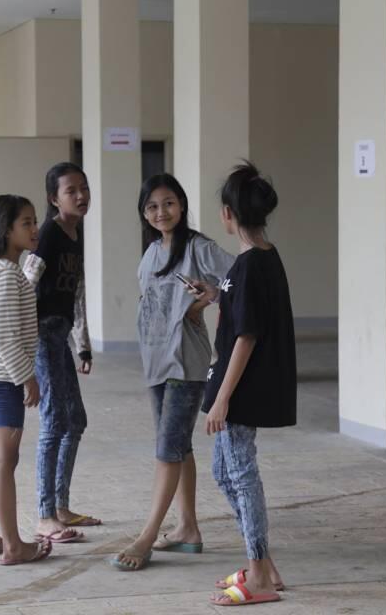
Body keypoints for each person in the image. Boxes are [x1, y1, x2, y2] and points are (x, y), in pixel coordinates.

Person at [112, 174, 234, 571]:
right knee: (178, 446)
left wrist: (208, 299)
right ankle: (187, 529)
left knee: (167, 449)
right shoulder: (150, 254)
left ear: (181, 205)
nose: (161, 212)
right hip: (155, 362)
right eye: (152, 206)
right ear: (144, 214)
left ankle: (146, 537)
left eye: (168, 203)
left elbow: (237, 280)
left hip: (186, 361)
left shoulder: (199, 247)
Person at [199, 162, 297, 607]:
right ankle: (265, 565)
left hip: (241, 390)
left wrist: (222, 400)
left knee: (241, 474)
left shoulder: (251, 265)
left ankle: (257, 573)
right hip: (239, 387)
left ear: (227, 214)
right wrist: (217, 295)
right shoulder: (260, 260)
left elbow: (247, 335)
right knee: (224, 472)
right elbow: (245, 311)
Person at [0, 194, 52, 567]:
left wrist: (29, 276)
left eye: (35, 221)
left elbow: (6, 314)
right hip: (4, 378)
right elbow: (2, 333)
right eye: (26, 223)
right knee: (5, 460)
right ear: (6, 230)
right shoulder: (6, 273)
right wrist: (27, 378)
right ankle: (14, 545)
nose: (35, 229)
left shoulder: (5, 271)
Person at [22, 162, 97, 544]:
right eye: (72, 191)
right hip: (41, 335)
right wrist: (23, 349)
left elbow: (77, 291)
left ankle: (62, 506)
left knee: (76, 421)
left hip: (61, 335)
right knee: (54, 423)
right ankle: (44, 515)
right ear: (54, 198)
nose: (81, 195)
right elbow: (26, 282)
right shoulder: (49, 234)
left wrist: (82, 343)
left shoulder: (75, 233)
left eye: (84, 188)